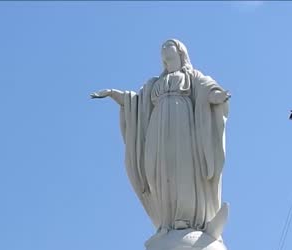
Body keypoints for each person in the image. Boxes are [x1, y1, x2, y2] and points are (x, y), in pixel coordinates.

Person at [91, 39, 231, 238]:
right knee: (159, 169)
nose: (165, 48)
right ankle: (167, 221)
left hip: (182, 125)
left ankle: (185, 218)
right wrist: (114, 95)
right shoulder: (154, 83)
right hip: (158, 129)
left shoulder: (191, 75)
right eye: (163, 47)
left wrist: (217, 96)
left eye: (169, 45)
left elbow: (207, 88)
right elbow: (137, 104)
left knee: (182, 167)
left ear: (180, 51)